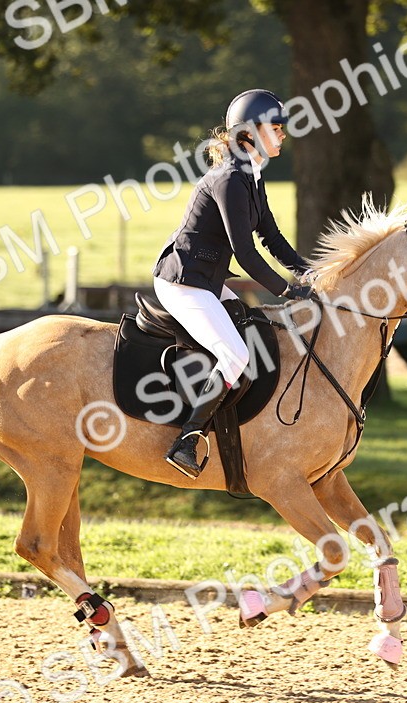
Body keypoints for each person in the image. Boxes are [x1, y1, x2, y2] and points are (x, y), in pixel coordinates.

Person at [153, 88, 315, 479]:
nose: (283, 134)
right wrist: (287, 290)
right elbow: (245, 253)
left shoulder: (251, 176)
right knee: (237, 355)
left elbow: (272, 238)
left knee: (255, 329)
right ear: (249, 133)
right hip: (183, 282)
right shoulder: (229, 179)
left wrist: (311, 273)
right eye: (276, 128)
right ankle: (187, 441)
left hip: (205, 281)